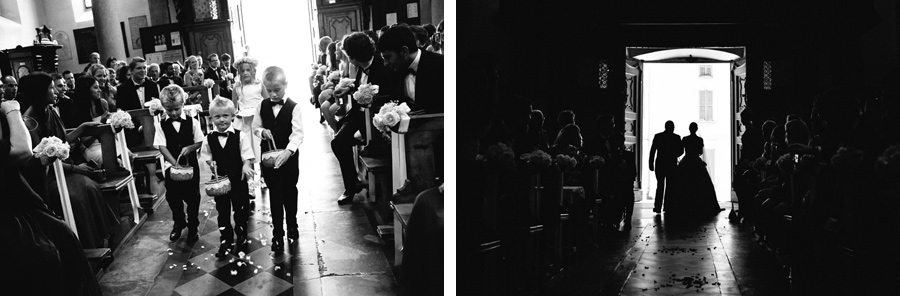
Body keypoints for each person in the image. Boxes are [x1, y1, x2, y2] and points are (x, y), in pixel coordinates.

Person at [0, 99, 103, 295]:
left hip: (21, 199)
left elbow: (22, 165)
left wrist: (43, 161)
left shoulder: (48, 113)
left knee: (66, 236)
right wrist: (12, 109)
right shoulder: (16, 114)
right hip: (8, 211)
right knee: (44, 254)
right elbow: (22, 150)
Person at [20, 73, 119, 249]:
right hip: (46, 177)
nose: (55, 92)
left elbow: (62, 141)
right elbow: (41, 160)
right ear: (39, 92)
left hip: (63, 169)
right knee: (76, 196)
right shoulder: (29, 122)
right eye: (51, 88)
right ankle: (85, 243)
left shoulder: (50, 111)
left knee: (89, 186)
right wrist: (76, 168)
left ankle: (103, 236)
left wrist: (83, 128)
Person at [332, 32, 395, 205]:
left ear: (353, 57)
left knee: (362, 144)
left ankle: (378, 183)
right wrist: (350, 89)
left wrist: (370, 99)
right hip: (359, 114)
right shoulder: (361, 65)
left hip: (377, 117)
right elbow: (362, 85)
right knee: (338, 142)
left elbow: (387, 94)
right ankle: (352, 185)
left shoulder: (382, 66)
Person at [252, 66, 303, 252]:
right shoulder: (261, 106)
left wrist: (288, 152)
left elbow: (298, 134)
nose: (273, 94)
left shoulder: (294, 107)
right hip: (268, 159)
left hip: (289, 158)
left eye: (277, 90)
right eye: (269, 90)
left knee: (290, 191)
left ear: (286, 85)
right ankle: (277, 233)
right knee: (275, 193)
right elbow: (255, 127)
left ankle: (292, 224)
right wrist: (261, 131)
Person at [200, 97, 255, 257]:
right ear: (212, 118)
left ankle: (242, 234)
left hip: (238, 180)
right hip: (220, 183)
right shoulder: (208, 138)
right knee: (222, 211)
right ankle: (226, 239)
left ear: (233, 116)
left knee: (241, 208)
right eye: (217, 117)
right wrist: (210, 162)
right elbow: (205, 156)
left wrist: (246, 165)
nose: (221, 119)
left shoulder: (240, 136)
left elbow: (247, 154)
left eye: (225, 115)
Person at [154, 85, 204, 243]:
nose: (174, 113)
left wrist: (190, 148)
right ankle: (179, 222)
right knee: (173, 197)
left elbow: (199, 141)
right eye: (169, 110)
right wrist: (174, 162)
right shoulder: (161, 125)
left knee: (193, 197)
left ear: (183, 104)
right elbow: (161, 146)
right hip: (171, 168)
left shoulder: (192, 122)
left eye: (176, 108)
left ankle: (193, 225)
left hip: (191, 167)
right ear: (164, 108)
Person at [378, 24, 444, 113]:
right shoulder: (394, 71)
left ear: (404, 51)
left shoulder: (440, 65)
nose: (385, 64)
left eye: (388, 57)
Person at [666, 122, 721, 216]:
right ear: (696, 129)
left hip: (686, 161)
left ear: (689, 129)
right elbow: (700, 152)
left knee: (683, 184)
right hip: (696, 161)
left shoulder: (685, 139)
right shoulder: (700, 140)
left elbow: (681, 151)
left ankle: (683, 206)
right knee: (701, 183)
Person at [232, 56, 268, 162]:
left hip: (257, 117)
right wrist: (235, 113)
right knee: (245, 143)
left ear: (253, 71)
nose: (245, 73)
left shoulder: (259, 84)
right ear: (239, 73)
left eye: (248, 70)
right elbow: (233, 105)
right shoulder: (237, 87)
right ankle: (249, 168)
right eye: (242, 71)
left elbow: (266, 101)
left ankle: (260, 170)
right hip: (243, 119)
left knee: (257, 143)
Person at [649, 120, 683, 213]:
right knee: (670, 186)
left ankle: (658, 206)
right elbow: (681, 151)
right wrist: (673, 155)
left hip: (660, 163)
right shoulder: (676, 137)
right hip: (671, 164)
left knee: (660, 185)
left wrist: (650, 163)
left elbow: (653, 151)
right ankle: (667, 206)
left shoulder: (658, 136)